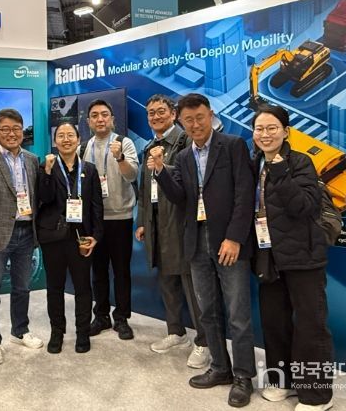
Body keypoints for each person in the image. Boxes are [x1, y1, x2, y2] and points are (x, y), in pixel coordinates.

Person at [152, 93, 256, 408]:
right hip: (196, 243)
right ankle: (220, 367)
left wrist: (235, 238)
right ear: (181, 121)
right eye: (189, 120)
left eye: (200, 117)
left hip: (228, 242)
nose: (195, 124)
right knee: (207, 311)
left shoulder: (233, 145)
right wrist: (160, 170)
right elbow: (179, 197)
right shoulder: (184, 156)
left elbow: (244, 194)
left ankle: (243, 376)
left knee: (237, 314)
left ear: (210, 115)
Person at [250, 104, 333, 411]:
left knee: (310, 325)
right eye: (259, 128)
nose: (265, 134)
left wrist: (280, 169)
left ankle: (316, 396)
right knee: (275, 322)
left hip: (303, 257)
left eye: (272, 128)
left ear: (286, 132)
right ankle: (282, 380)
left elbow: (304, 207)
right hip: (268, 256)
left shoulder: (300, 162)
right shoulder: (253, 164)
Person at [135, 94, 208, 369]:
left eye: (160, 111)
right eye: (151, 113)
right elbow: (143, 189)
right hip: (156, 221)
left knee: (192, 284)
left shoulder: (185, 140)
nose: (155, 117)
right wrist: (142, 221)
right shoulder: (149, 146)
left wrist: (163, 166)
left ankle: (204, 342)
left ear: (173, 114)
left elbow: (192, 177)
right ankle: (176, 332)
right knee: (166, 279)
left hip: (181, 221)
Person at [0, 108, 43, 366]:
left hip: (26, 231)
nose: (11, 134)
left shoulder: (32, 160)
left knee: (22, 287)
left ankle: (20, 330)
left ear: (22, 131)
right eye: (5, 129)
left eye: (16, 129)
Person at [36, 121, 103, 354]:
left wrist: (96, 235)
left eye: (70, 135)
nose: (66, 139)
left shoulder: (90, 169)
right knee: (54, 287)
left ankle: (83, 332)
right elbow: (44, 198)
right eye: (61, 136)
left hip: (81, 236)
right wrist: (46, 172)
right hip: (53, 236)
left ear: (78, 139)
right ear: (55, 142)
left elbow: (96, 205)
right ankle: (57, 332)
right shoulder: (46, 165)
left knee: (83, 287)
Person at [82, 99, 139, 340]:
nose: (100, 119)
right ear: (88, 121)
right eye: (95, 115)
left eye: (104, 114)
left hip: (120, 217)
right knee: (98, 271)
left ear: (112, 119)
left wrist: (120, 158)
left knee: (121, 271)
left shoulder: (124, 143)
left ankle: (122, 318)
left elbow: (133, 175)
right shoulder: (84, 147)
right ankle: (102, 315)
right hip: (94, 220)